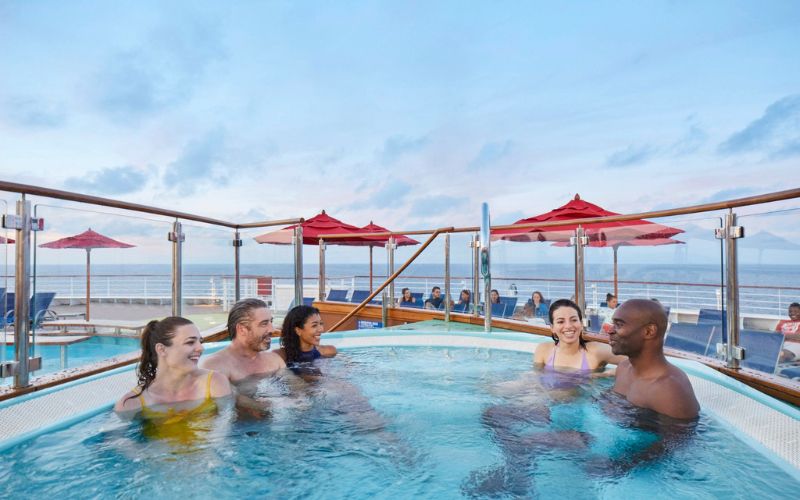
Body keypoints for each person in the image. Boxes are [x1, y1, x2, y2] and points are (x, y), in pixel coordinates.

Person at [114, 317, 232, 417]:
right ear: (162, 349)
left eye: (200, 342)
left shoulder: (215, 383)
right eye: (190, 342)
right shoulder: (131, 404)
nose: (201, 348)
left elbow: (226, 430)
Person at [609, 299, 700, 419]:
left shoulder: (669, 389)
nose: (610, 331)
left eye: (619, 325)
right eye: (613, 324)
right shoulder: (623, 368)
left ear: (649, 331)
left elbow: (682, 437)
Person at [533, 299, 624, 388]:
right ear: (552, 328)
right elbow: (535, 379)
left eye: (574, 320)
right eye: (561, 321)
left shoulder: (596, 351)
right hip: (547, 400)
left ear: (581, 324)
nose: (568, 326)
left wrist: (604, 374)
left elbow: (634, 361)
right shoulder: (543, 350)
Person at [200, 298, 286, 382]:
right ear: (242, 329)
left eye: (271, 322)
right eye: (264, 324)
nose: (272, 329)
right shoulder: (215, 366)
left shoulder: (275, 361)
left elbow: (294, 389)